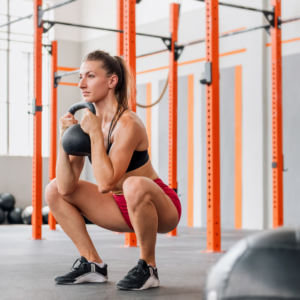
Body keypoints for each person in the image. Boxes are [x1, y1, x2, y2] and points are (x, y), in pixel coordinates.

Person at [45, 50, 181, 290]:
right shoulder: (90, 125)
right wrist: (64, 139)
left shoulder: (128, 123)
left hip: (160, 209)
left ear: (112, 81)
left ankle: (148, 267)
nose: (81, 84)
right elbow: (66, 187)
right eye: (80, 77)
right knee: (53, 189)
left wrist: (96, 134)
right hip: (119, 207)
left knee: (133, 183)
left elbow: (106, 183)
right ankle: (92, 264)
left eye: (90, 76)